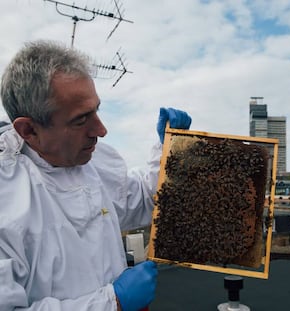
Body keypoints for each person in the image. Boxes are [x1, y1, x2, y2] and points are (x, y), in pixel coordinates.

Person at [0, 40, 192, 311]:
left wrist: (168, 151)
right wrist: (111, 303)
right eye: (80, 120)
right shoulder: (6, 199)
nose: (101, 130)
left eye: (96, 111)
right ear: (29, 130)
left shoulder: (92, 157)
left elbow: (139, 199)